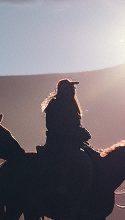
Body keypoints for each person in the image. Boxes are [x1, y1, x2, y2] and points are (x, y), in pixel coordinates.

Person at [40, 79, 94, 213]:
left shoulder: (64, 105)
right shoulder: (58, 106)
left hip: (69, 143)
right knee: (84, 163)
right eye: (70, 89)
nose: (72, 92)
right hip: (60, 145)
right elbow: (59, 129)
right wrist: (78, 134)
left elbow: (71, 126)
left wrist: (80, 132)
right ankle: (75, 196)